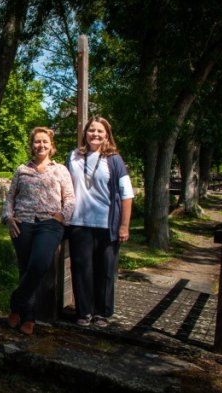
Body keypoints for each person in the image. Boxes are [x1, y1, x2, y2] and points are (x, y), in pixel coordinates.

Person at [2, 127, 75, 335]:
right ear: (31, 145)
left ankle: (15, 303)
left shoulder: (60, 170)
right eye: (36, 142)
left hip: (49, 223)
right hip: (22, 223)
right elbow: (9, 198)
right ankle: (28, 317)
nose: (40, 145)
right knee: (25, 269)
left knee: (39, 264)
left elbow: (70, 198)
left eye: (45, 142)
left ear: (51, 146)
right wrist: (8, 217)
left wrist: (62, 216)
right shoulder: (21, 170)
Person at [66, 116, 134, 328]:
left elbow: (127, 194)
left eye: (100, 131)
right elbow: (63, 185)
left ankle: (101, 313)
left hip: (107, 224)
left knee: (105, 270)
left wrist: (124, 225)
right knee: (81, 269)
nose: (95, 134)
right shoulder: (74, 156)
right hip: (79, 223)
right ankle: (84, 311)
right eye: (91, 130)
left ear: (107, 135)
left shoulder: (114, 159)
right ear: (85, 133)